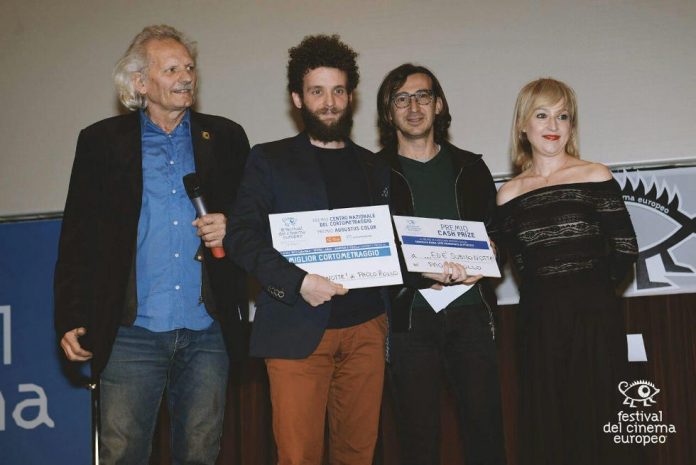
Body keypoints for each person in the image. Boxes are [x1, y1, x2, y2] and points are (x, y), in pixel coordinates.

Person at [54, 24, 250, 465]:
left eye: (190, 68)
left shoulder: (225, 137)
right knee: (123, 455)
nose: (186, 78)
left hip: (207, 329)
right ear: (140, 83)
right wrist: (70, 315)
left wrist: (232, 225)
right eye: (172, 69)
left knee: (200, 454)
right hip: (131, 333)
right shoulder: (101, 142)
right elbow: (78, 237)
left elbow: (254, 219)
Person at [225, 35, 389, 465]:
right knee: (298, 457)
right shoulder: (269, 160)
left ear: (351, 96)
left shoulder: (375, 166)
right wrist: (299, 282)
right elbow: (240, 235)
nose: (329, 103)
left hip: (367, 330)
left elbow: (392, 240)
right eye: (317, 91)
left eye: (338, 91)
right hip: (295, 327)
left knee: (359, 455)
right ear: (297, 98)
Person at [495, 78, 638, 465]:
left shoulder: (595, 175)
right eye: (542, 115)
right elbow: (511, 263)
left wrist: (592, 297)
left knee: (601, 423)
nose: (553, 125)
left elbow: (625, 250)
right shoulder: (508, 194)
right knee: (549, 429)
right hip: (538, 322)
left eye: (563, 116)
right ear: (523, 125)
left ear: (572, 125)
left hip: (594, 320)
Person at [376, 64, 507, 465]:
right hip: (410, 320)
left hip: (472, 315)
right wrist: (416, 272)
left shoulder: (472, 167)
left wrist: (493, 251)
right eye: (401, 99)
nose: (413, 107)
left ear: (439, 105)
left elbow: (498, 232)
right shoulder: (372, 173)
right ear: (388, 112)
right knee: (418, 440)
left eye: (422, 96)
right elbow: (371, 250)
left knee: (485, 434)